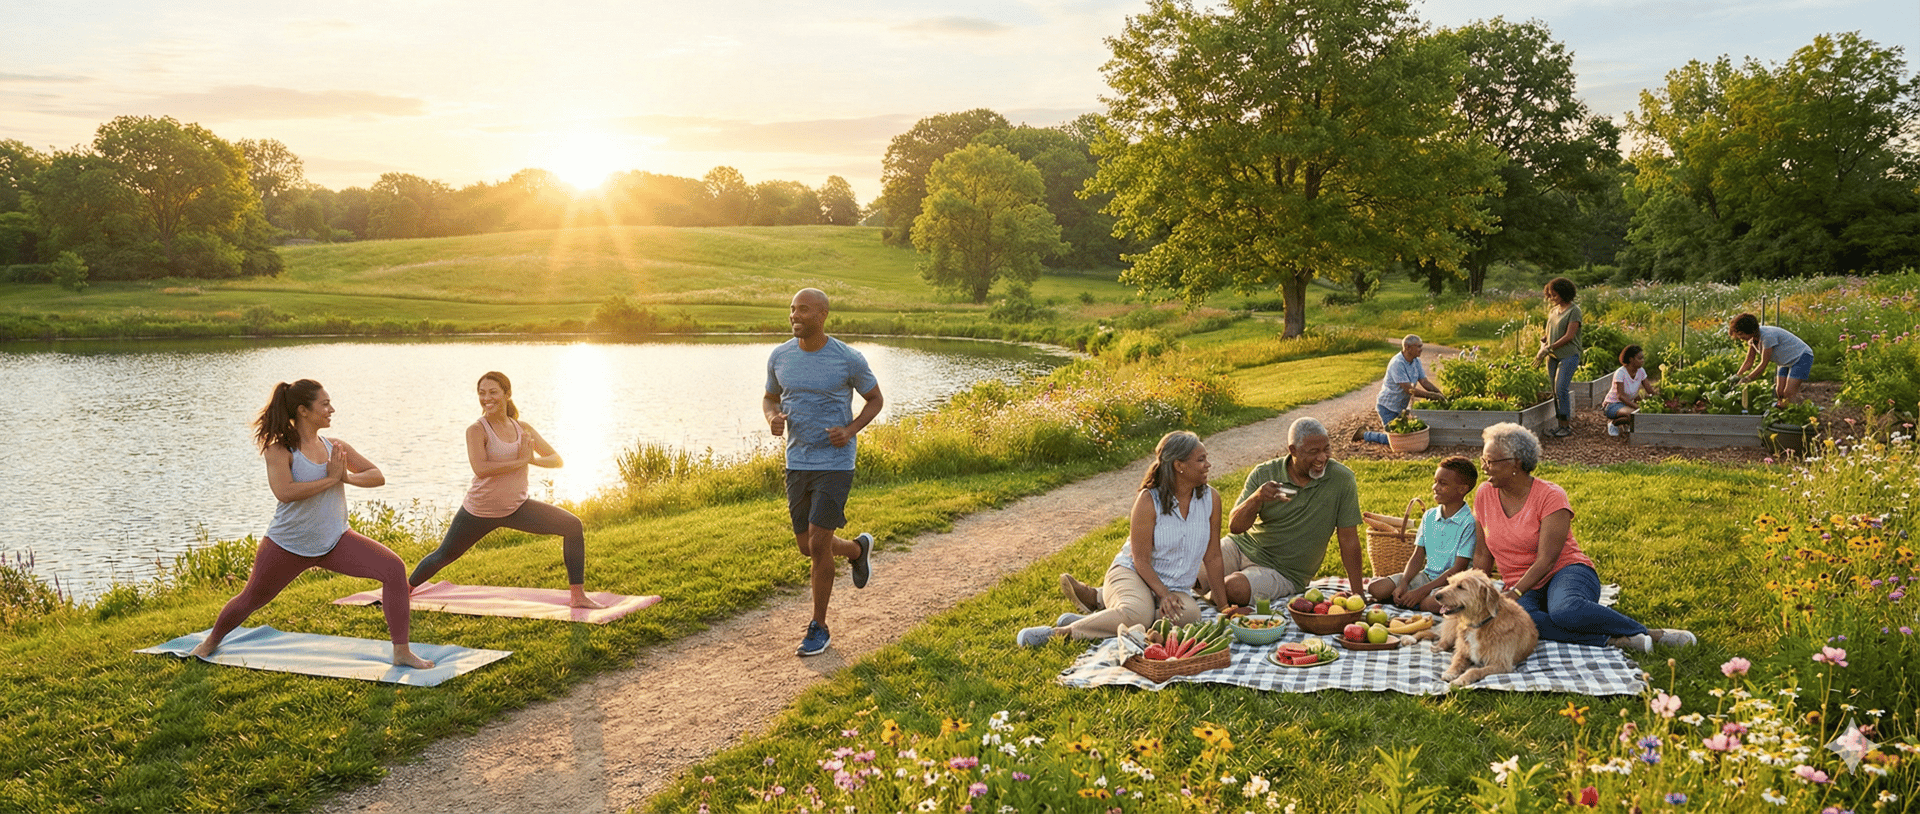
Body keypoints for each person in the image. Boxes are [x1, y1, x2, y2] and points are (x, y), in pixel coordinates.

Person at [190, 380, 434, 669]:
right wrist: (330, 479)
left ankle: (402, 652)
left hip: (336, 541)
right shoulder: (279, 450)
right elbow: (285, 492)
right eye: (325, 404)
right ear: (304, 410)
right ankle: (210, 642)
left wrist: (346, 478)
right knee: (251, 599)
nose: (332, 409)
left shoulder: (336, 447)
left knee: (393, 569)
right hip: (288, 545)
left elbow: (376, 475)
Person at [1470, 422, 1695, 652]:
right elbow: (1481, 553)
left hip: (1564, 571)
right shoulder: (1484, 494)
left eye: (1490, 462)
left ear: (1516, 463)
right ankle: (1612, 641)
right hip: (1519, 581)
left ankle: (1651, 634)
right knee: (1516, 620)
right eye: (1483, 461)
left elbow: (1547, 560)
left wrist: (1515, 593)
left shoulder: (1551, 497)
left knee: (1565, 611)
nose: (1484, 468)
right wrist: (1477, 594)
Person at [408, 371, 605, 608]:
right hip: (479, 511)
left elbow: (555, 459)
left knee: (572, 525)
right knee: (443, 556)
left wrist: (531, 460)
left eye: (493, 392)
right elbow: (481, 469)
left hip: (516, 507)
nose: (486, 398)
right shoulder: (476, 430)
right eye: (481, 393)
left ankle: (578, 597)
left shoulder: (522, 428)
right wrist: (522, 461)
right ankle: (402, 590)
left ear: (507, 394)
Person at [765, 287, 883, 657]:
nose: (794, 316)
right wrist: (773, 418)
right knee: (807, 546)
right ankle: (856, 550)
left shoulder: (848, 358)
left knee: (817, 542)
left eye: (803, 310)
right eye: (791, 310)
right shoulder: (780, 356)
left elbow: (875, 399)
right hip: (797, 460)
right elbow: (770, 396)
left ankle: (819, 626)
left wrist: (849, 430)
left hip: (835, 463)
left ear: (822, 315)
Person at [1040, 432, 1225, 645]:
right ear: (1179, 465)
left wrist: (1224, 607)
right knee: (1139, 615)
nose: (1208, 465)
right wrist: (1163, 595)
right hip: (1134, 573)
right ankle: (1061, 632)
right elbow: (1141, 560)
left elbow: (1213, 556)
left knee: (1190, 617)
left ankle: (1102, 614)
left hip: (1175, 586)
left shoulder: (1211, 499)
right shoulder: (1148, 500)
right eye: (1201, 460)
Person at [1203, 417, 1366, 605]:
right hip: (1240, 547)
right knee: (1191, 572)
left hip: (1284, 571)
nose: (1322, 458)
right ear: (1293, 450)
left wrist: (1358, 594)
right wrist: (1257, 498)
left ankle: (1215, 596)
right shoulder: (1264, 473)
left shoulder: (1341, 480)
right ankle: (1205, 595)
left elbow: (1348, 539)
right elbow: (1235, 527)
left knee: (1232, 589)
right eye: (1313, 452)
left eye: (1326, 449)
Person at [1366, 456, 1477, 612]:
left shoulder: (1469, 523)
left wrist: (1421, 591)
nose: (1435, 487)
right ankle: (1411, 599)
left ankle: (1416, 601)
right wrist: (1404, 582)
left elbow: (1458, 568)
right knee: (1375, 589)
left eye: (1443, 483)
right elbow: (1418, 555)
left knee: (1428, 604)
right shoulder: (1429, 516)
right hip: (1426, 577)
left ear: (1462, 489)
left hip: (1452, 584)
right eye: (1435, 481)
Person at [1357, 335, 1444, 445]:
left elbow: (1424, 382)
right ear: (1407, 347)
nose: (1421, 349)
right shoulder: (1397, 363)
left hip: (1401, 407)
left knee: (1406, 435)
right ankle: (1364, 434)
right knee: (1396, 440)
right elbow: (1409, 389)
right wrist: (1431, 396)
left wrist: (1440, 394)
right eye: (1418, 346)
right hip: (1388, 407)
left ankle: (1371, 434)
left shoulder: (1416, 361)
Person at [1533, 277, 1582, 437]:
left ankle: (1566, 426)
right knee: (1554, 390)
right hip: (1552, 356)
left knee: (1561, 388)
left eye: (1555, 295)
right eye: (1550, 295)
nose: (1552, 298)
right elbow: (1549, 332)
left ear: (1564, 293)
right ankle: (1559, 424)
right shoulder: (1553, 311)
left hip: (1568, 355)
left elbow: (1569, 336)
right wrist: (1544, 342)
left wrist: (1550, 347)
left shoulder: (1574, 311)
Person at [1730, 313, 1813, 405]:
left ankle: (1795, 414)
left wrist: (1747, 379)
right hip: (1784, 362)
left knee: (1788, 393)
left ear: (1749, 329)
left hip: (1801, 357)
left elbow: (1763, 364)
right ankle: (1784, 412)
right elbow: (1749, 361)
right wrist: (1737, 376)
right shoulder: (1752, 340)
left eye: (1741, 334)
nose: (1740, 337)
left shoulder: (1767, 336)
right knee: (1780, 392)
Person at [1601, 345, 1658, 437]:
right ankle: (1613, 423)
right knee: (1634, 415)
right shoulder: (1620, 373)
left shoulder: (1641, 371)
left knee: (1639, 413)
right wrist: (1636, 406)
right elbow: (1620, 396)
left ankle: (1627, 423)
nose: (1642, 360)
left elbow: (1649, 390)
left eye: (1643, 358)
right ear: (1631, 359)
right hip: (1613, 405)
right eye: (1639, 358)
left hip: (1627, 403)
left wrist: (1661, 399)